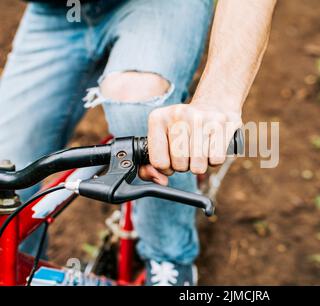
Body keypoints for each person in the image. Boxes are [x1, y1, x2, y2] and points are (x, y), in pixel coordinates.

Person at [0, 0, 276, 285]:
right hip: (55, 13)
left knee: (136, 103)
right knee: (6, 175)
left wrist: (216, 100)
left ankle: (169, 257)